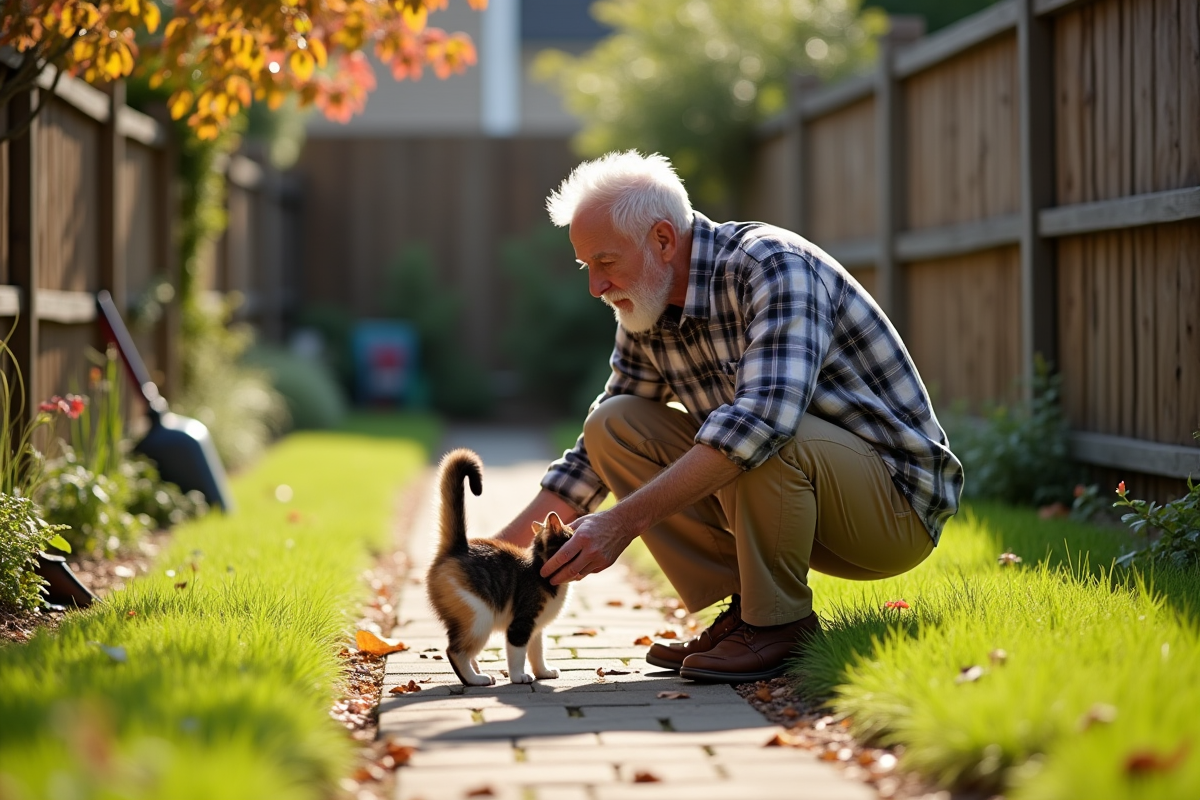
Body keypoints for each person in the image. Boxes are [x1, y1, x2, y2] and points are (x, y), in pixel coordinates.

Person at [495, 150, 963, 683]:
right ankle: (749, 613)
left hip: (893, 512)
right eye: (587, 267)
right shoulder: (643, 302)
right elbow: (594, 454)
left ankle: (778, 626)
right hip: (799, 500)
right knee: (615, 424)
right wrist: (490, 562)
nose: (595, 286)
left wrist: (621, 523)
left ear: (663, 240)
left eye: (605, 262)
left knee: (757, 432)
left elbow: (763, 421)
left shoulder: (773, 266)